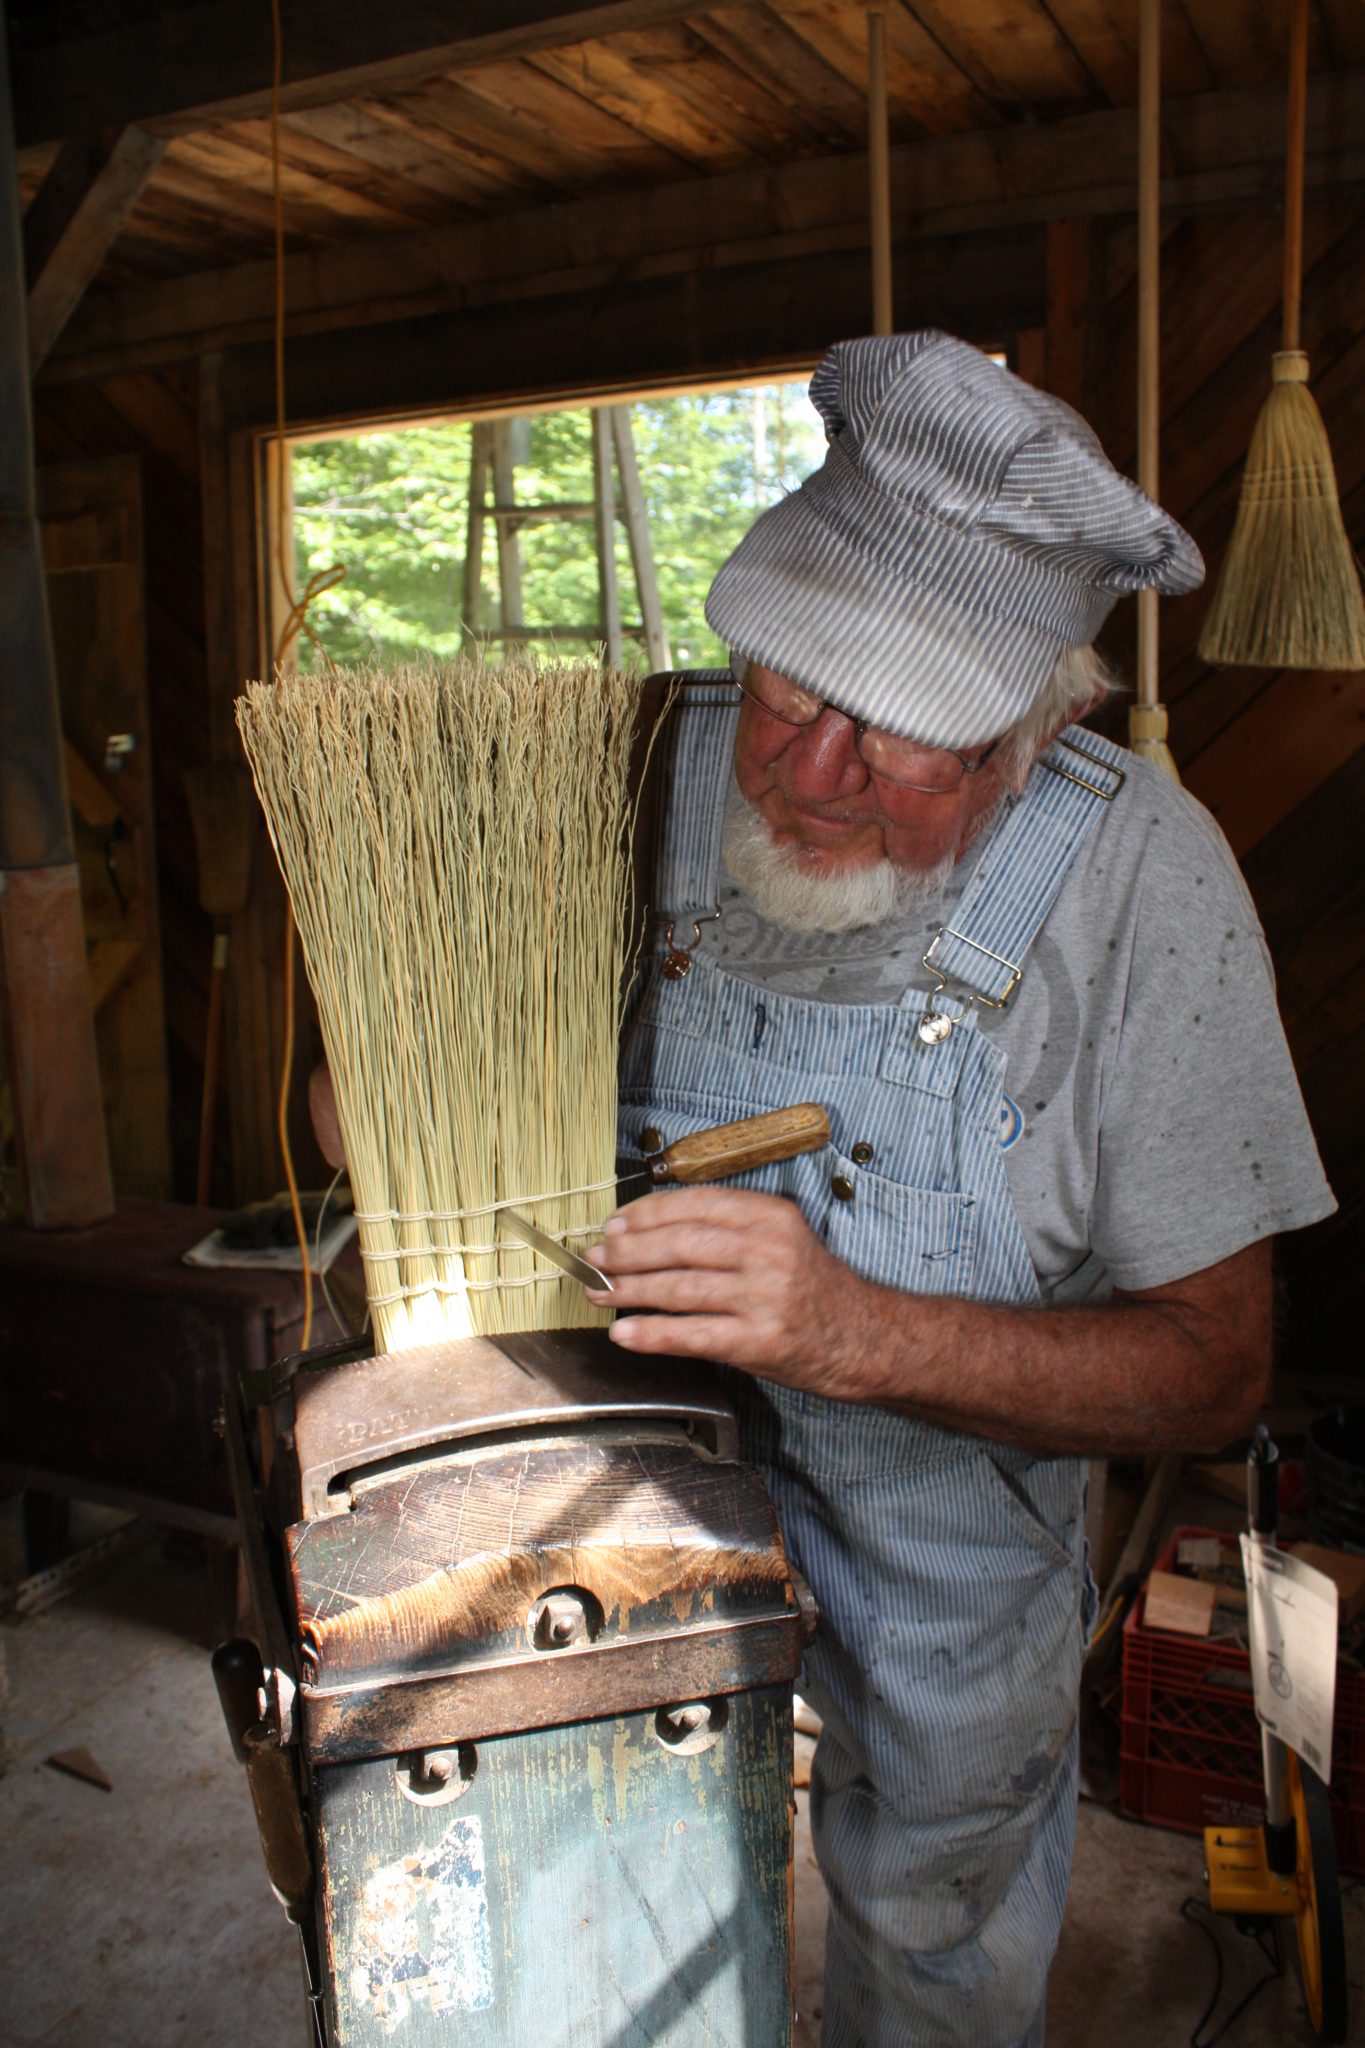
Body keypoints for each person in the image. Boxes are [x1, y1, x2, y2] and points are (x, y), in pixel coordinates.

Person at [583, 331, 1335, 2048]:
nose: (809, 772)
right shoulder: (641, 762)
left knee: (934, 1929)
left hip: (951, 1540)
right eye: (789, 690)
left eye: (904, 735)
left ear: (1034, 727)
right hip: (635, 1489)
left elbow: (1213, 1373)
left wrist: (850, 1331)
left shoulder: (1140, 884)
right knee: (616, 1887)